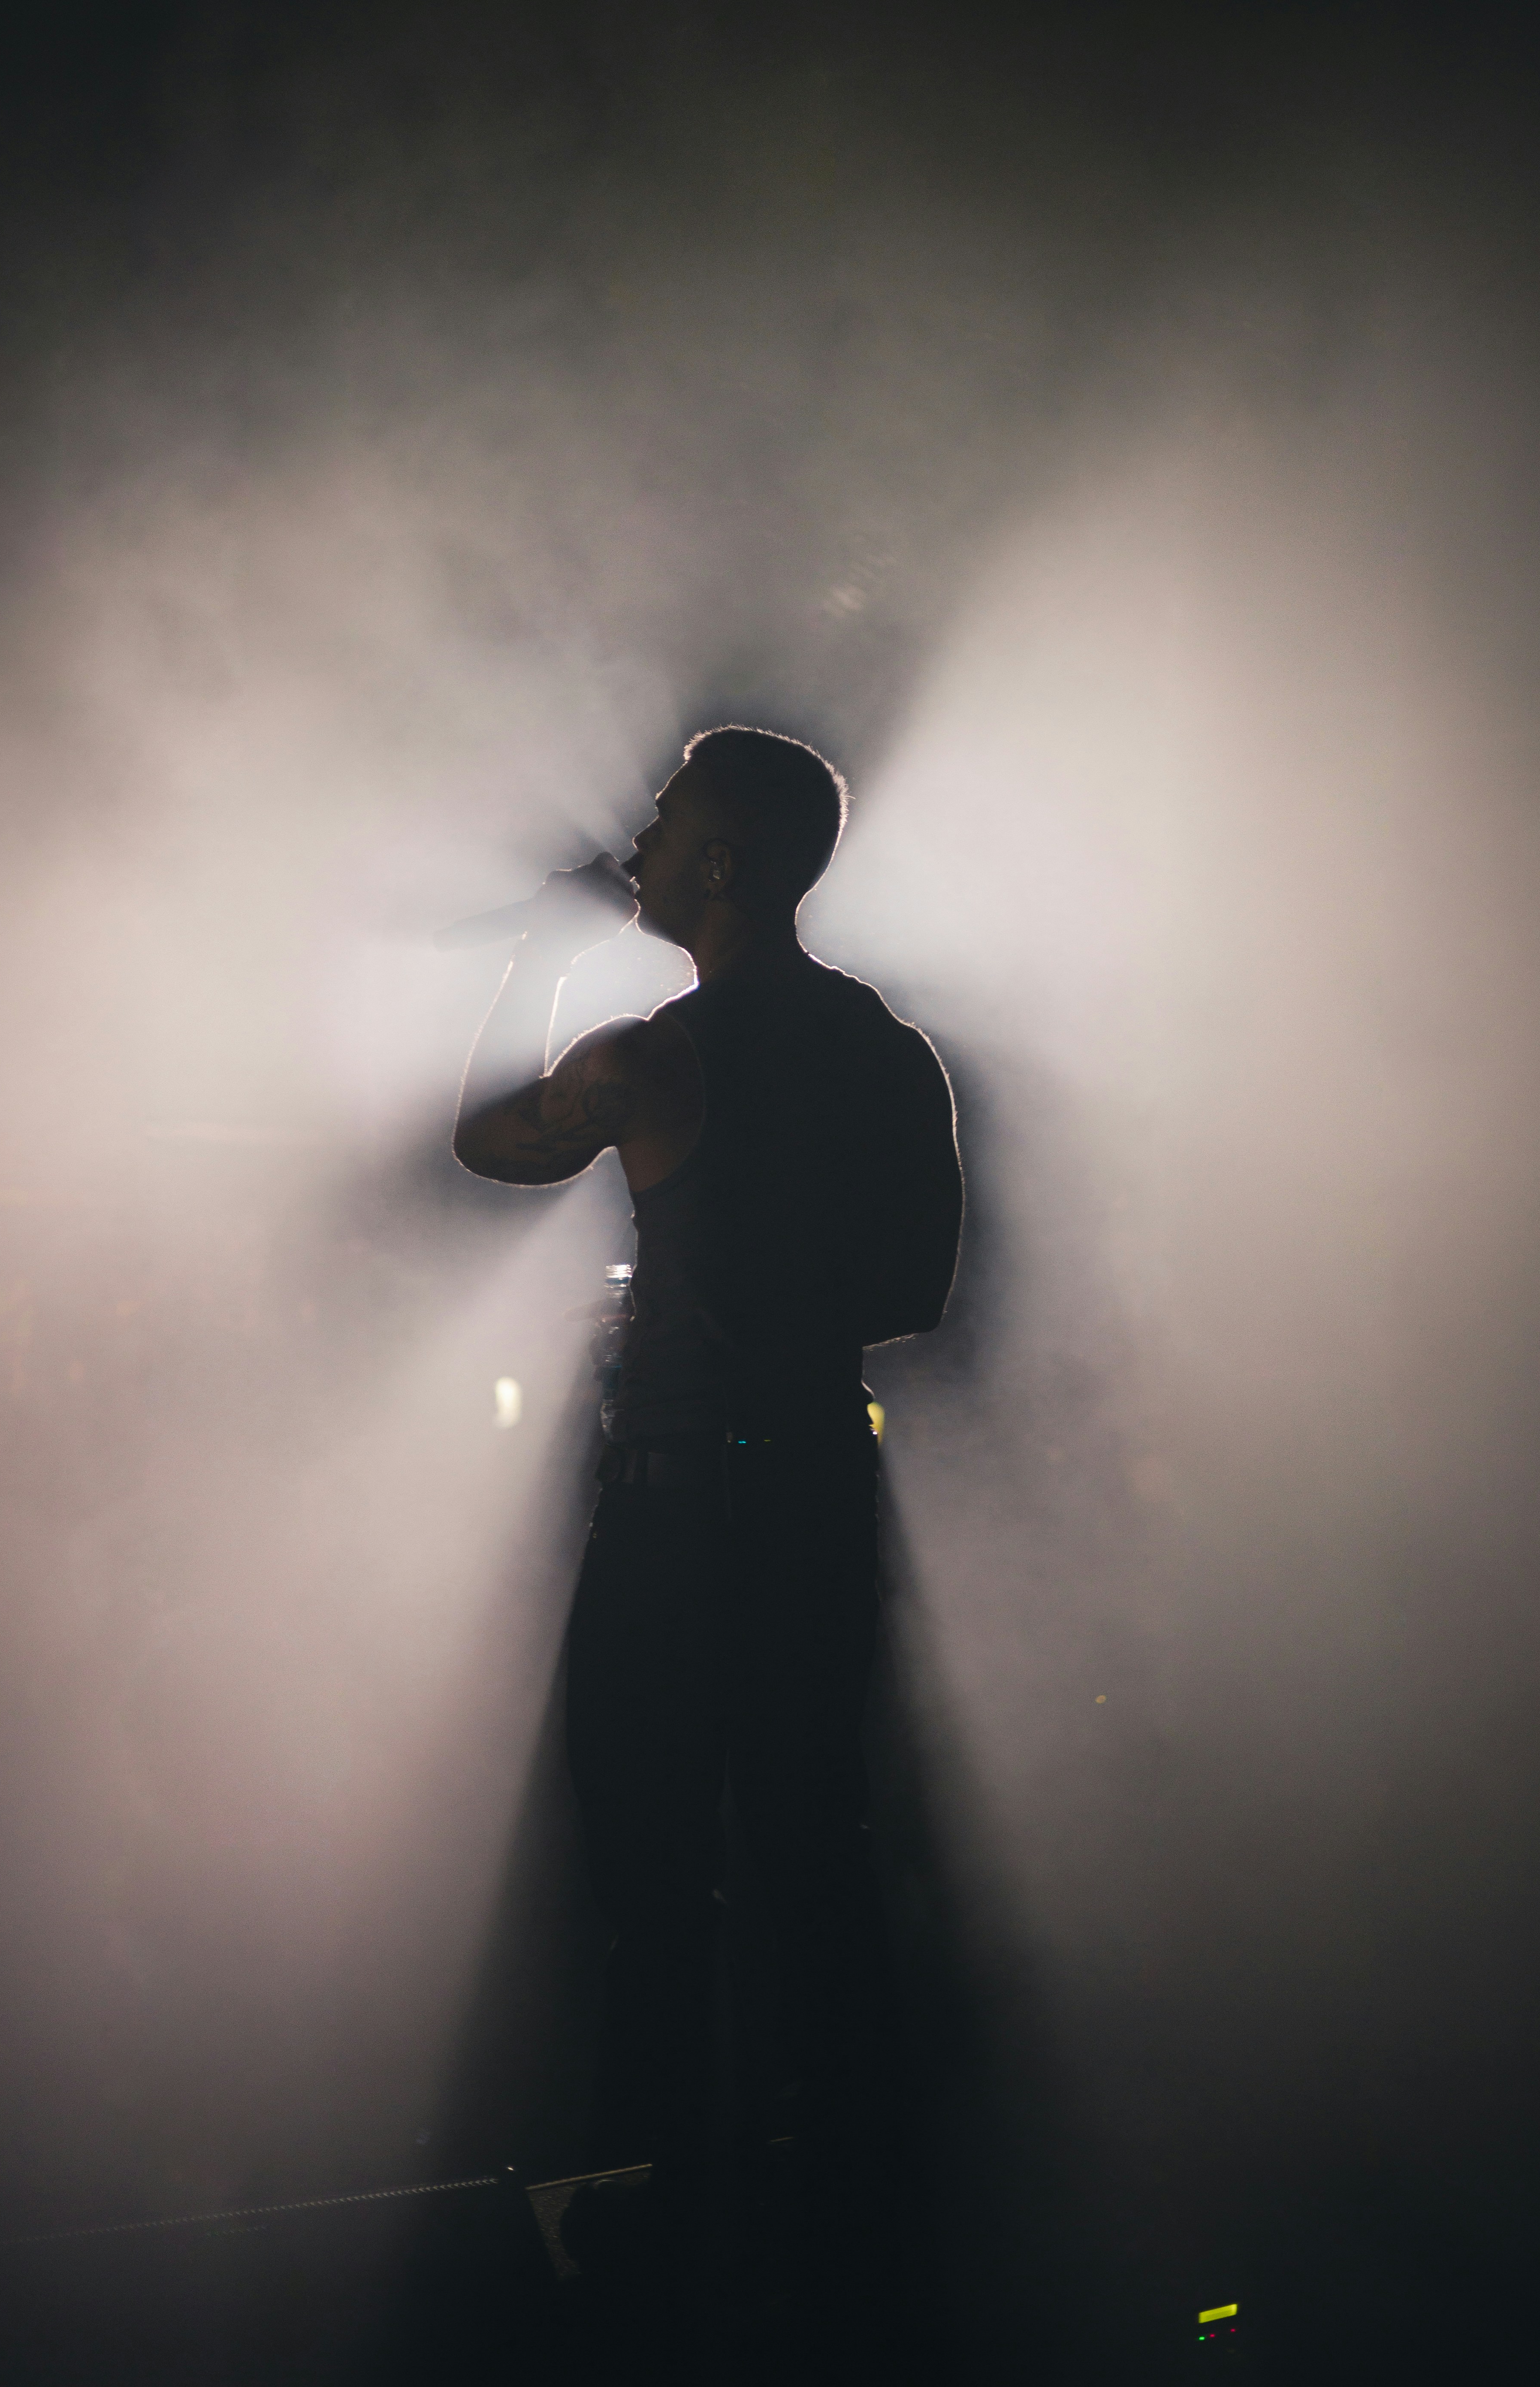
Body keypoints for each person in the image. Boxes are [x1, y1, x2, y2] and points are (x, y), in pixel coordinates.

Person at [453, 724, 963, 2293]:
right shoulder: (888, 1050)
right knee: (819, 1845)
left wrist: (540, 957)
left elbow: (484, 1139)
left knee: (654, 1866)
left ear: (721, 864)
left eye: (668, 820)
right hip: (821, 1483)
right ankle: (863, 2207)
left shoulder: (653, 1056)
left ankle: (675, 2199)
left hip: (680, 1517)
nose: (642, 838)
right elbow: (916, 1291)